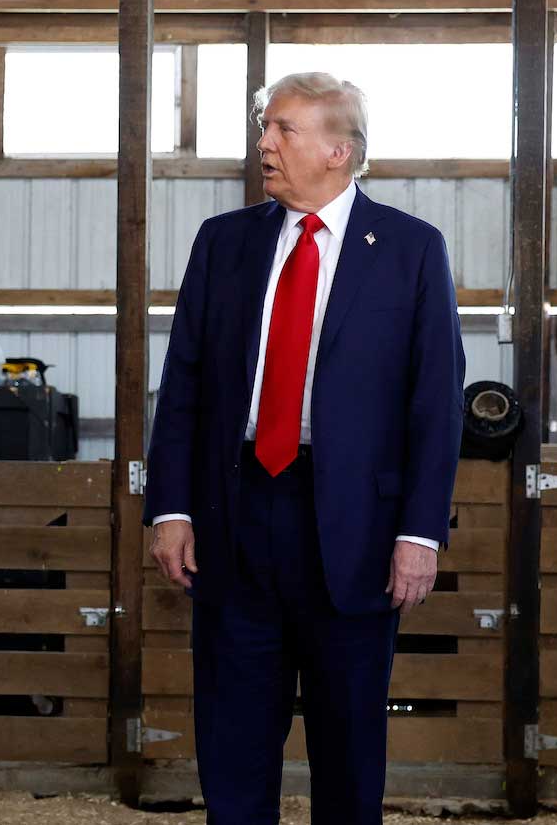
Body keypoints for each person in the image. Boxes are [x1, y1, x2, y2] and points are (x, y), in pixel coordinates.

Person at [144, 71, 465, 824]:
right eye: (265, 126)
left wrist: (420, 533)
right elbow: (183, 380)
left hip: (354, 528)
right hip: (236, 515)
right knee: (233, 742)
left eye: (283, 128)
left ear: (338, 149)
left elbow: (435, 403)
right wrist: (171, 506)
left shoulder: (413, 250)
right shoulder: (224, 242)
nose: (265, 142)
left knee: (350, 749)